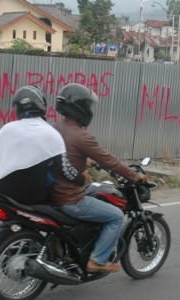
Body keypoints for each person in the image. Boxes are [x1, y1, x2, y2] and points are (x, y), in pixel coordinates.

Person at [50, 83, 148, 273]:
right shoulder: (81, 137)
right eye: (88, 106)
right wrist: (135, 175)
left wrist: (84, 161)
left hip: (53, 193)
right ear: (80, 108)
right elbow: (110, 161)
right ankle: (97, 260)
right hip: (70, 199)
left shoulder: (57, 128)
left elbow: (65, 156)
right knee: (116, 216)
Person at [0, 85, 86, 204]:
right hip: (32, 197)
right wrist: (82, 179)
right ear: (41, 104)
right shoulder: (50, 133)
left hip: (0, 193)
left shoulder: (6, 129)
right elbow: (65, 169)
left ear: (17, 108)